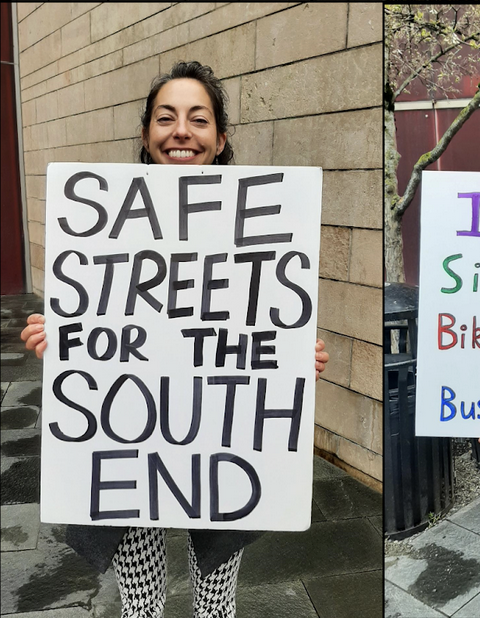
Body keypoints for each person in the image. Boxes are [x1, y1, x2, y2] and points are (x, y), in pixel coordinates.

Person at [20, 60, 331, 618]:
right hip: (129, 444)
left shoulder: (259, 226)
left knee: (216, 601)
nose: (181, 131)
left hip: (223, 443)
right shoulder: (106, 224)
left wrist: (291, 355)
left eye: (198, 119)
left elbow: (264, 325)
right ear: (146, 135)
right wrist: (60, 336)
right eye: (165, 118)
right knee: (142, 603)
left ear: (220, 138)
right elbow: (96, 323)